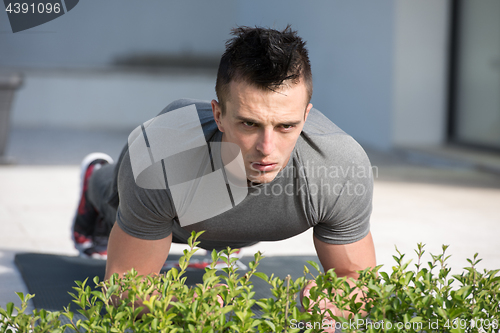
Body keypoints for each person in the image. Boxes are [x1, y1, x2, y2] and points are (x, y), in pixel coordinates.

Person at [72, 25, 376, 321]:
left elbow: (360, 284)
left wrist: (332, 302)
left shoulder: (340, 167)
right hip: (175, 205)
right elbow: (122, 287)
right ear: (218, 115)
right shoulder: (160, 156)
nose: (267, 148)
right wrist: (187, 305)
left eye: (286, 126)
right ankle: (94, 178)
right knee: (112, 192)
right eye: (249, 124)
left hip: (234, 219)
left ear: (306, 116)